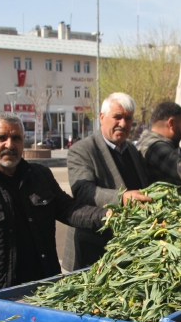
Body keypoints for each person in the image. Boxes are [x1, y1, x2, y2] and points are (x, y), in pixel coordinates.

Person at [0, 112, 109, 322]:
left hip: (45, 292)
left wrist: (108, 216)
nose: (9, 144)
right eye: (1, 138)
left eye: (16, 138)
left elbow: (69, 209)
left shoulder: (39, 176)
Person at [62, 93, 152, 272]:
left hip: (127, 247)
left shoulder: (132, 151)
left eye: (128, 118)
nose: (123, 123)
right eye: (117, 117)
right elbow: (83, 191)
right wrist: (122, 198)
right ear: (102, 118)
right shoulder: (82, 150)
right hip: (93, 247)